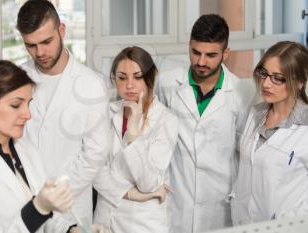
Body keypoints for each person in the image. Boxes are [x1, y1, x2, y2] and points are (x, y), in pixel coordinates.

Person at [16, 1, 117, 231]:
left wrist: (55, 196)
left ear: (62, 30)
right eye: (30, 45)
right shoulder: (17, 78)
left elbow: (95, 153)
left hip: (69, 205)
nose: (39, 52)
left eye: (46, 42)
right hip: (23, 202)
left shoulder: (91, 84)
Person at [158, 14, 254, 233]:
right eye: (195, 52)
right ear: (189, 46)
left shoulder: (241, 93)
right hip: (177, 200)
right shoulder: (166, 84)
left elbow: (243, 152)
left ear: (225, 53)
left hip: (220, 205)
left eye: (210, 55)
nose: (201, 62)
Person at [0, 60, 74, 233]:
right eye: (15, 105)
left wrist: (71, 230)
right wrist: (37, 209)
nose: (28, 114)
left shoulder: (25, 148)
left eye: (28, 103)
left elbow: (48, 216)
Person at [93, 46, 179, 233]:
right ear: (114, 79)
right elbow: (94, 169)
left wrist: (133, 139)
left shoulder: (167, 121)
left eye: (138, 77)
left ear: (151, 77)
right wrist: (133, 194)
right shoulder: (105, 113)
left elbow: (148, 183)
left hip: (143, 225)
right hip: (104, 220)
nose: (129, 85)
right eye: (122, 77)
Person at [231, 41, 308, 225]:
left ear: (299, 83)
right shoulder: (255, 113)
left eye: (277, 78)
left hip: (286, 227)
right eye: (264, 74)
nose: (266, 83)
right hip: (243, 224)